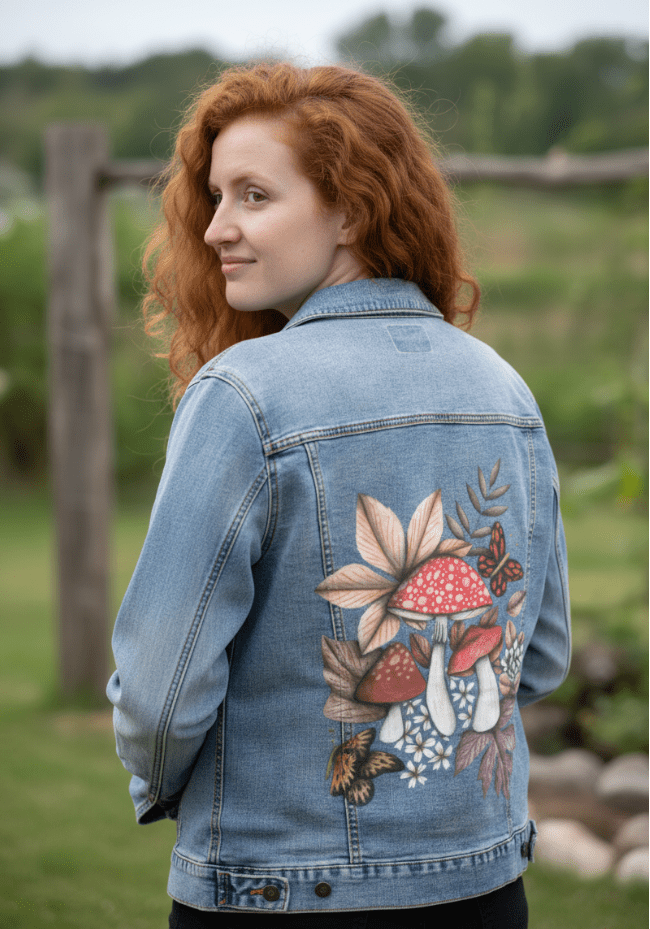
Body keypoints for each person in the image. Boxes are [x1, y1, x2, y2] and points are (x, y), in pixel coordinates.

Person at [107, 62, 570, 928]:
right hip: (484, 888)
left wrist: (161, 782)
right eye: (215, 197)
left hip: (277, 890)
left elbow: (157, 695)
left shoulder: (241, 394)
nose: (214, 230)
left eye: (253, 195)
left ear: (352, 208)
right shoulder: (505, 388)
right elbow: (535, 656)